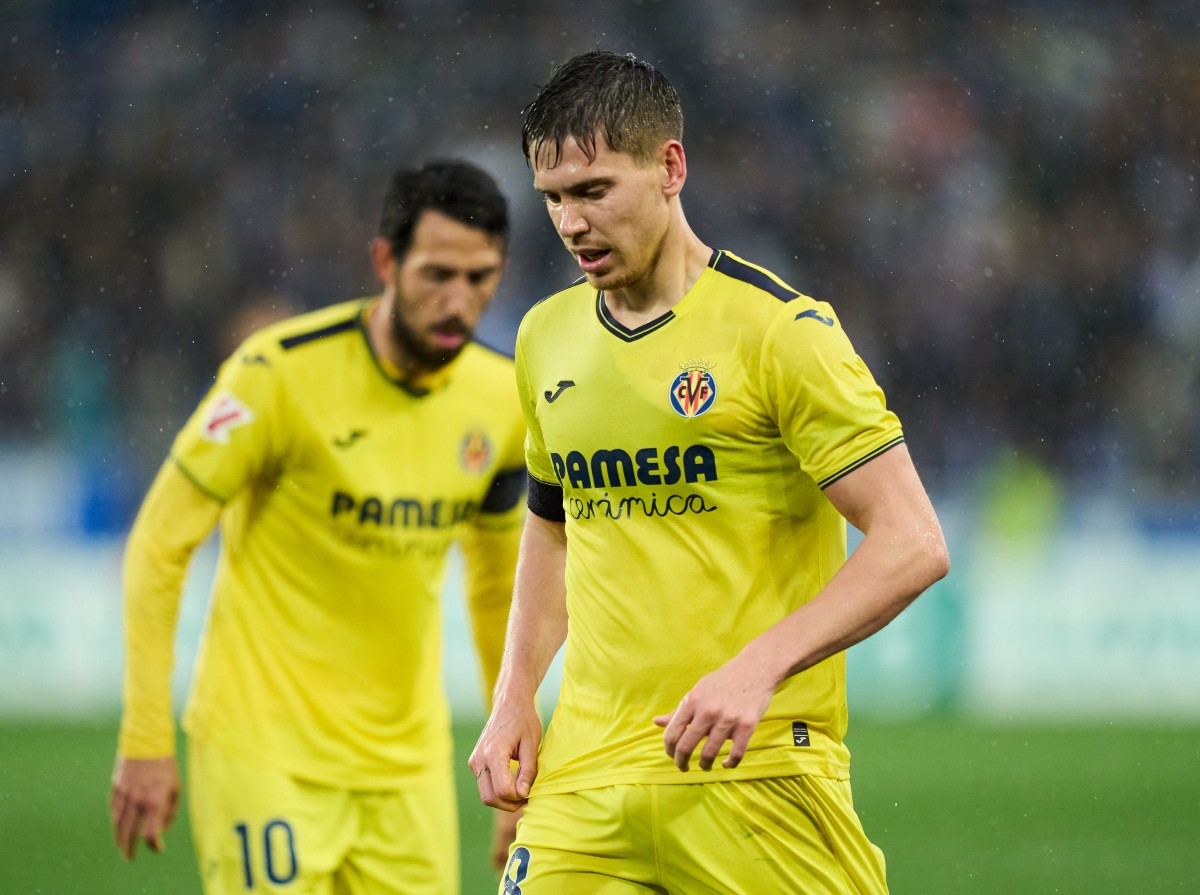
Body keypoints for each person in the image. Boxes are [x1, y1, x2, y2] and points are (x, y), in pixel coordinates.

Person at [469, 51, 950, 894]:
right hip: (587, 779)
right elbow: (553, 525)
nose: (572, 223)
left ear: (670, 167)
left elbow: (912, 541)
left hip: (755, 770)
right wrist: (515, 695)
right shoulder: (545, 338)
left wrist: (756, 668)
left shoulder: (780, 332)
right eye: (553, 200)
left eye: (593, 191)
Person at [110, 159, 527, 894]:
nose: (459, 301)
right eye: (437, 274)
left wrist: (517, 757)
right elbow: (158, 543)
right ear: (384, 261)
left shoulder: (501, 399)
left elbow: (500, 585)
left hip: (406, 767)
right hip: (264, 752)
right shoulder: (276, 374)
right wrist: (146, 736)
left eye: (480, 276)